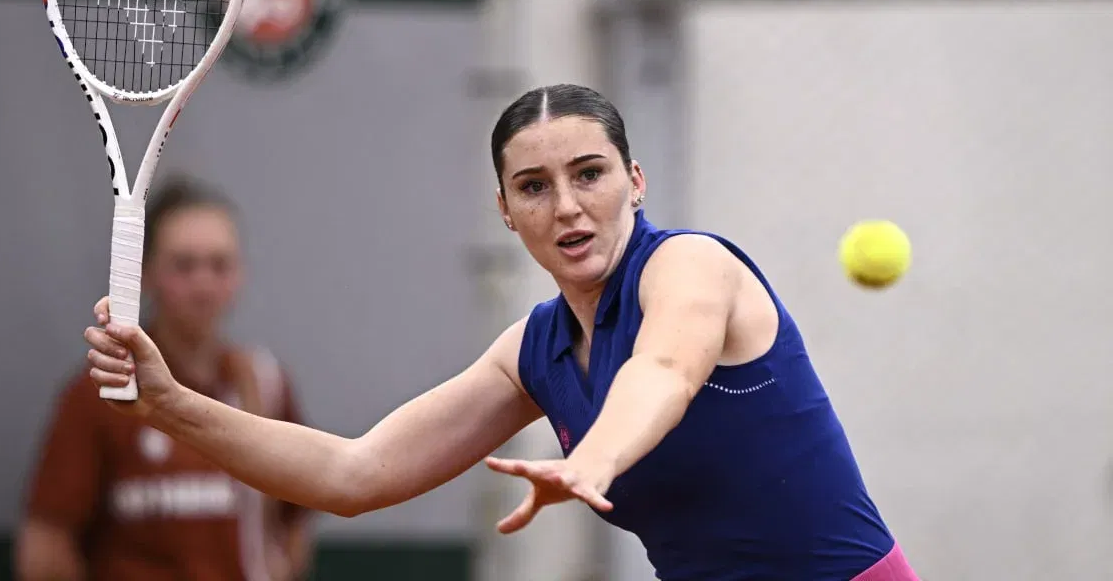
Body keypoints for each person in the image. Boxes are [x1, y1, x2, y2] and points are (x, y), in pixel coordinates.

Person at [83, 84, 919, 580]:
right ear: (506, 211)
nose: (568, 207)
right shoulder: (534, 354)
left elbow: (664, 370)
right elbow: (354, 473)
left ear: (635, 181)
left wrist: (592, 460)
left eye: (589, 174)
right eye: (534, 186)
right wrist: (169, 403)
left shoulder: (691, 266)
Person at [17, 176, 315, 581]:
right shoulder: (106, 389)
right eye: (184, 265)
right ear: (145, 273)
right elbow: (46, 548)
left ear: (240, 272)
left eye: (219, 264)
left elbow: (297, 521)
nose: (203, 284)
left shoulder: (265, 385)